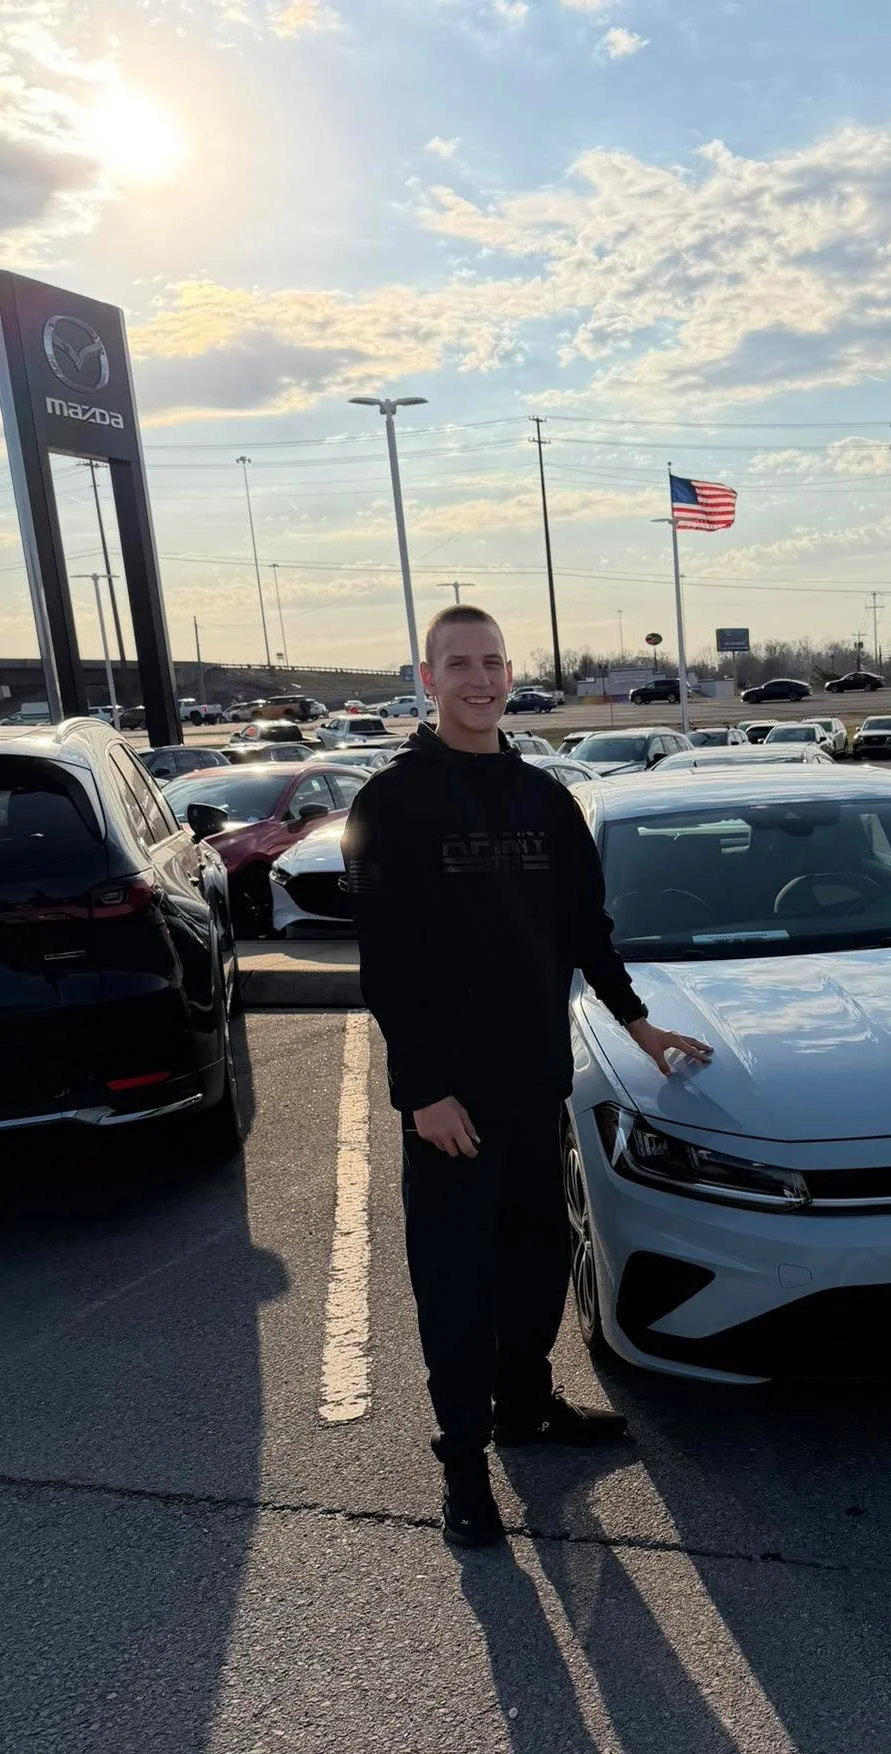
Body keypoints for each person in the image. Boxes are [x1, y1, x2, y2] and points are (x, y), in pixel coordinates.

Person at [344, 607, 711, 1548]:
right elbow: (385, 964)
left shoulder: (545, 798)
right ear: (428, 679)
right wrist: (423, 1091)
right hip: (450, 1105)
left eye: (493, 662)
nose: (480, 679)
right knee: (456, 1284)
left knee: (534, 1261)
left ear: (511, 674)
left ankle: (527, 1407)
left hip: (534, 1080)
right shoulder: (390, 803)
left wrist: (638, 1023)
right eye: (458, 663)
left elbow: (587, 930)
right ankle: (464, 1464)